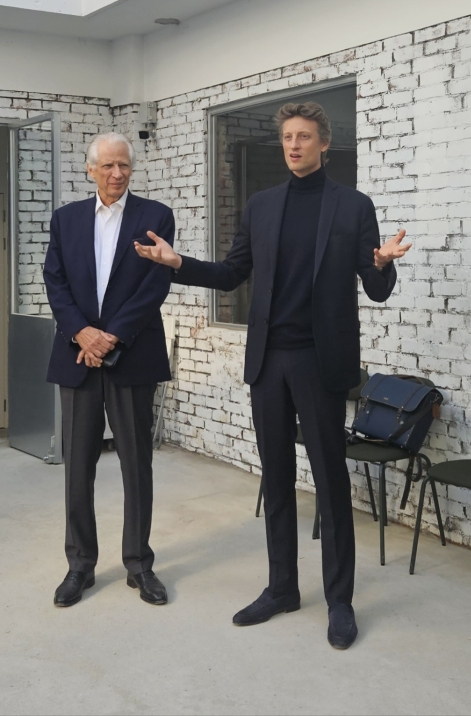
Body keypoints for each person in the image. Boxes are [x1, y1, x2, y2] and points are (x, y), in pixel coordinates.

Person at [135, 102, 411, 649]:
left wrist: (382, 263)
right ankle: (282, 587)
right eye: (287, 137)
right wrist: (177, 263)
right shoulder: (261, 205)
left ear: (324, 143)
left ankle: (339, 601)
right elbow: (233, 271)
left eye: (304, 136)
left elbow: (376, 289)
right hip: (268, 361)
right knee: (277, 480)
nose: (293, 145)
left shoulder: (353, 206)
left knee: (331, 486)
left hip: (321, 361)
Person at [44, 132, 175, 607]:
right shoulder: (65, 220)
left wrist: (110, 336)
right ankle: (80, 565)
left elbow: (154, 285)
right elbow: (54, 281)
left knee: (136, 464)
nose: (117, 174)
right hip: (78, 357)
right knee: (78, 466)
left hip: (132, 356)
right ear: (90, 170)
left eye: (124, 166)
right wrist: (83, 333)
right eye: (108, 166)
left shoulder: (155, 217)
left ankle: (139, 563)